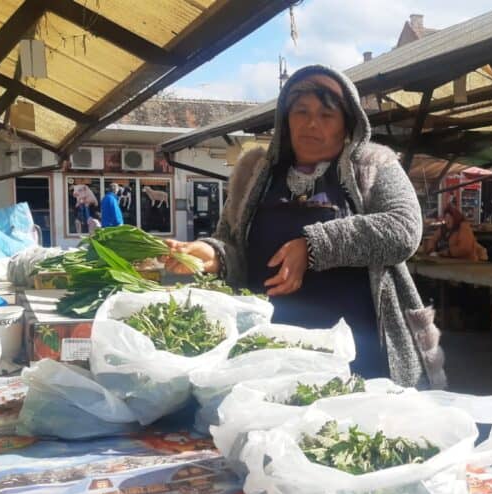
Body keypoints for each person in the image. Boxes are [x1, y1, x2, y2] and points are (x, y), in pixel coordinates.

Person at [160, 65, 442, 387]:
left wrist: (312, 246)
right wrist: (212, 253)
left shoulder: (372, 166)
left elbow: (404, 230)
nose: (311, 123)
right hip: (270, 353)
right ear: (285, 119)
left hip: (359, 355)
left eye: (326, 114)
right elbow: (232, 243)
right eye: (301, 111)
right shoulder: (253, 174)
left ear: (346, 123)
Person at [421, 205, 486, 261]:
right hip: (447, 261)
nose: (447, 220)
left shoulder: (463, 227)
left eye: (449, 218)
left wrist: (446, 253)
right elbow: (433, 239)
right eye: (446, 218)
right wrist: (431, 251)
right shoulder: (443, 228)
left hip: (465, 263)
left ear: (455, 218)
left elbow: (465, 248)